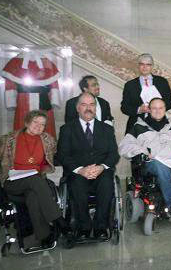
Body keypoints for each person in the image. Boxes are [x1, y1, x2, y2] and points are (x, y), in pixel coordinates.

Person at [0, 110, 71, 248]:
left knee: (33, 195)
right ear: (27, 122)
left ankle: (44, 236)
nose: (38, 126)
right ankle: (60, 221)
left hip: (35, 183)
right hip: (13, 181)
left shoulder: (48, 140)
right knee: (35, 180)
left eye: (42, 124)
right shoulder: (9, 140)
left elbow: (59, 156)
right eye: (35, 122)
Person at [57, 92, 119, 241]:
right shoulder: (67, 129)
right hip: (78, 172)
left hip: (101, 171)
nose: (88, 108)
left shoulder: (106, 129)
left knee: (106, 184)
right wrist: (81, 170)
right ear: (78, 108)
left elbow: (113, 155)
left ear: (96, 107)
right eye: (84, 105)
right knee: (77, 185)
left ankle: (100, 226)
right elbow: (63, 155)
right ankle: (83, 227)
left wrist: (101, 167)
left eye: (91, 104)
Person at [119, 98, 171, 213]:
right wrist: (142, 151)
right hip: (152, 163)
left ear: (165, 109)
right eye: (154, 108)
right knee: (161, 167)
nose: (158, 111)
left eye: (161, 108)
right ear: (149, 110)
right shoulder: (138, 127)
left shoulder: (170, 127)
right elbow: (123, 147)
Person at [121, 53, 171, 134]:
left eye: (148, 65)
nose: (145, 67)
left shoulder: (162, 82)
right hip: (136, 126)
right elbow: (124, 107)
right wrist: (139, 109)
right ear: (138, 66)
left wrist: (157, 109)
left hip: (160, 124)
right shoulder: (130, 85)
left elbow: (170, 102)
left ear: (152, 66)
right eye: (142, 64)